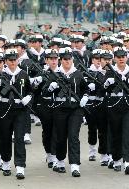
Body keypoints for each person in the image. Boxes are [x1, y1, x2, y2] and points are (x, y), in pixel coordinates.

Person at [43, 47, 89, 177]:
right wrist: (51, 88)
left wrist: (85, 97)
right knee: (61, 136)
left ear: (72, 59)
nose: (67, 61)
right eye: (64, 59)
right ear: (60, 60)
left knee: (73, 136)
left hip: (75, 109)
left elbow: (86, 89)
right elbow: (45, 92)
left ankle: (75, 165)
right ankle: (60, 161)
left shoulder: (78, 74)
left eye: (69, 59)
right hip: (60, 109)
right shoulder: (54, 74)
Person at [104, 46, 129, 175]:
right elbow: (103, 90)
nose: (121, 59)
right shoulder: (109, 72)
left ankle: (128, 162)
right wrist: (107, 84)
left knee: (127, 134)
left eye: (123, 57)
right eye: (118, 57)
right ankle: (117, 159)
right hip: (114, 107)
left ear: (126, 57)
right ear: (114, 58)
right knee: (115, 134)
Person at [0, 49, 33, 179]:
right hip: (5, 109)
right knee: (5, 137)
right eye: (10, 60)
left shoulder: (23, 74)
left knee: (19, 138)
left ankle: (20, 166)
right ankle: (6, 163)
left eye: (14, 60)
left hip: (20, 110)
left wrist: (28, 97)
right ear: (6, 61)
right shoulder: (0, 75)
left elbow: (30, 90)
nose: (13, 62)